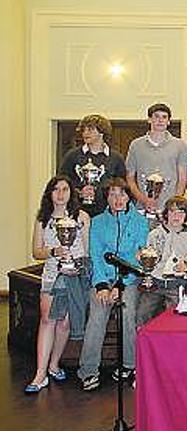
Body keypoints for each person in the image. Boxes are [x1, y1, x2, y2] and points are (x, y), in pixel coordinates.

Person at [78, 178, 148, 391]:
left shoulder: (140, 222)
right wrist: (101, 285)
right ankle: (88, 370)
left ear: (129, 196)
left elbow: (138, 258)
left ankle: (129, 365)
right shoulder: (97, 222)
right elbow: (96, 256)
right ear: (106, 198)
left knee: (127, 311)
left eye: (122, 194)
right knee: (98, 313)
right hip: (102, 279)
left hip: (128, 279)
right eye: (112, 194)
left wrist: (120, 284)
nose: (117, 199)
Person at [25, 176, 91, 394]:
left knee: (65, 324)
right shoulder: (43, 219)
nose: (61, 194)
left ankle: (54, 364)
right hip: (52, 275)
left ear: (71, 192)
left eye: (65, 189)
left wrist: (77, 266)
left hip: (74, 277)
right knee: (47, 320)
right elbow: (36, 252)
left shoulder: (82, 217)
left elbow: (87, 250)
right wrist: (54, 252)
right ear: (49, 193)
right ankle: (40, 374)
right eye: (56, 190)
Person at [136, 196, 187, 326]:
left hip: (177, 284)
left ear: (186, 216)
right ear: (165, 214)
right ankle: (144, 342)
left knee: (177, 320)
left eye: (181, 212)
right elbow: (148, 260)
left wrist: (186, 267)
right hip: (155, 283)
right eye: (172, 211)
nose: (176, 216)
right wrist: (143, 259)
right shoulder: (154, 234)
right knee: (142, 315)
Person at [125, 103, 187, 222]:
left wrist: (175, 203)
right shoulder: (136, 145)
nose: (160, 120)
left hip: (169, 210)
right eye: (156, 116)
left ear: (169, 121)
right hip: (142, 208)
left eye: (164, 117)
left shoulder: (180, 145)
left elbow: (182, 178)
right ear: (149, 119)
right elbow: (130, 178)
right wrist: (144, 199)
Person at [58, 114, 126, 217]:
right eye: (84, 130)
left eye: (90, 129)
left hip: (106, 213)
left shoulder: (116, 158)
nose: (85, 133)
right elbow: (61, 184)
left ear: (102, 132)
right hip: (77, 212)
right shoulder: (72, 156)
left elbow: (122, 187)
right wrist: (79, 193)